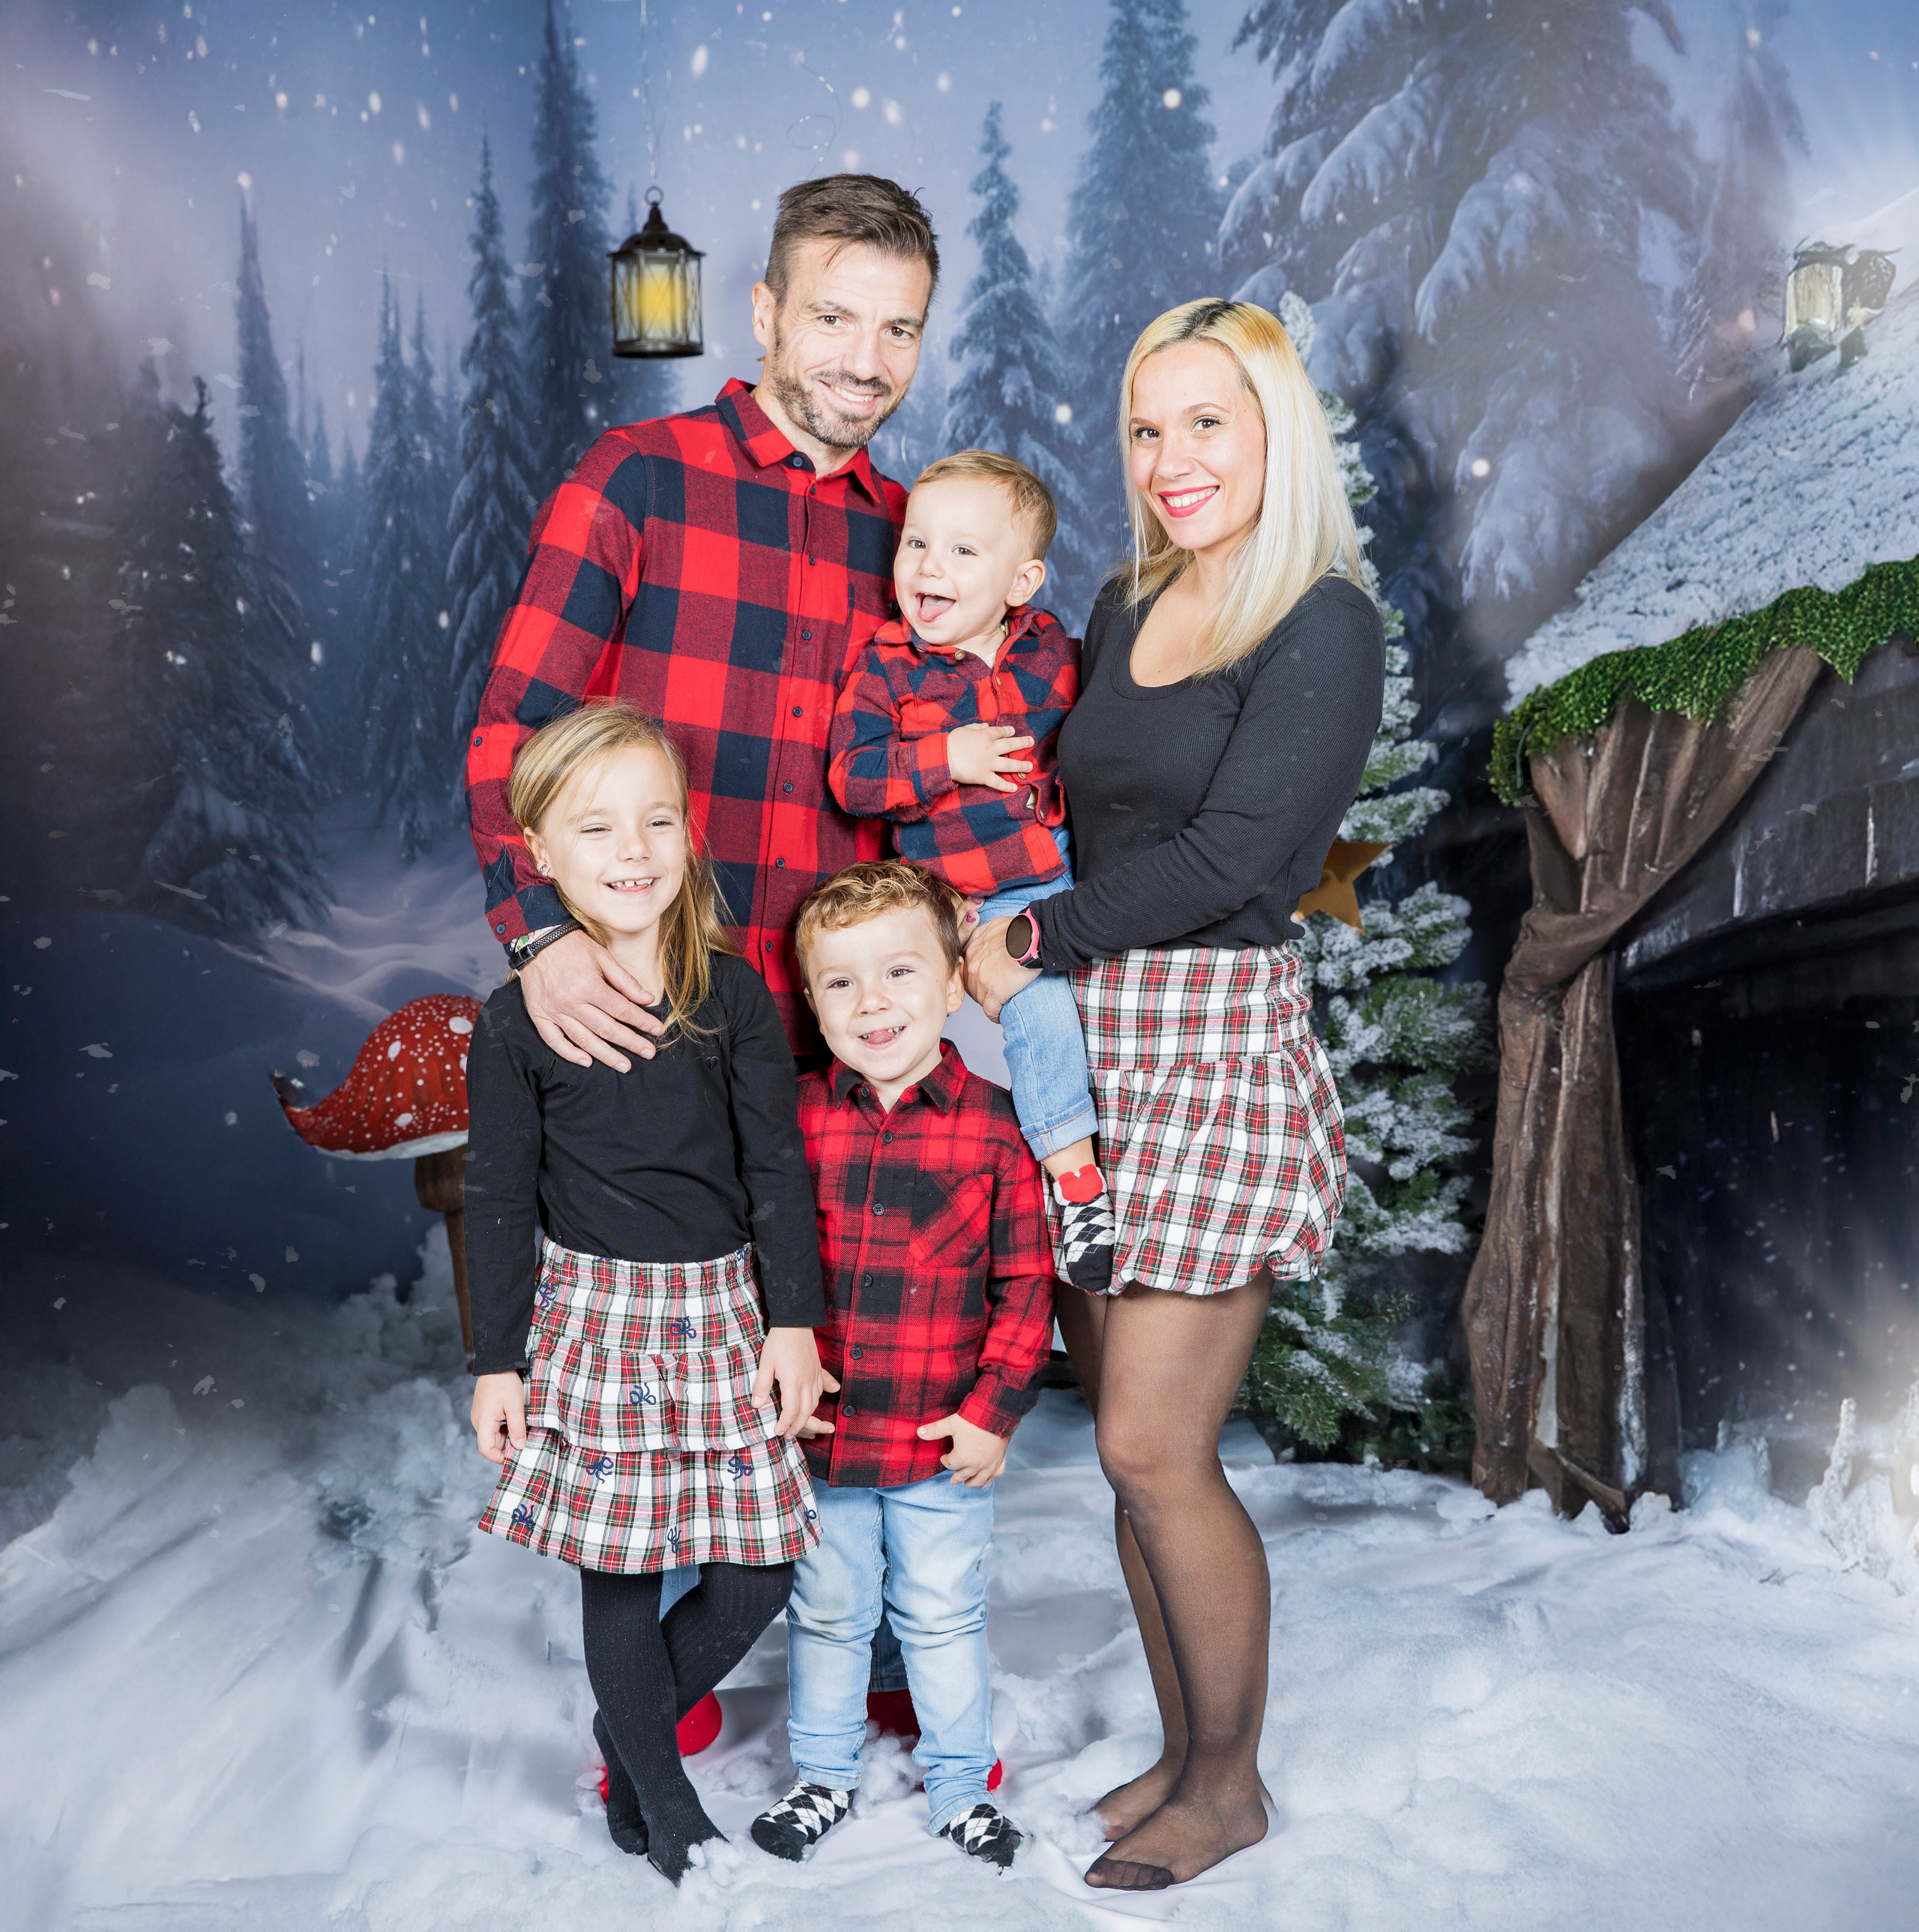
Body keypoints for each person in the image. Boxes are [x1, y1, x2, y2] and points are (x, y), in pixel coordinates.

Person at [962, 300, 1387, 1891]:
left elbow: (1239, 860)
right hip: (1080, 1043)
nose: (1169, 459)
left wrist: (1018, 934)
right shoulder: (1129, 588)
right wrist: (1027, 769)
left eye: (1205, 421)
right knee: (1123, 1447)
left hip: (1204, 1034)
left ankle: (1231, 1785)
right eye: (1146, 427)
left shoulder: (1318, 618)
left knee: (1151, 1444)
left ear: (1272, 426)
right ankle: (1178, 1749)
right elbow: (1110, 787)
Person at [465, 702, 831, 1884]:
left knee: (754, 1571)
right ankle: (666, 1803)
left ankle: (628, 1742)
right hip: (595, 1323)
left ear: (689, 837)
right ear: (543, 857)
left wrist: (792, 1323)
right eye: (598, 828)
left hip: (726, 1316)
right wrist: (496, 1360)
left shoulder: (733, 998)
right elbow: (500, 1197)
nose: (633, 851)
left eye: (657, 821)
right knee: (620, 1568)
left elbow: (777, 1169)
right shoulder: (516, 1021)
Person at [464, 172, 941, 1068]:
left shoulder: (918, 542)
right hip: (637, 1020)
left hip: (831, 1047)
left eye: (899, 329)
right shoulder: (636, 478)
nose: (867, 362)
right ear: (765, 313)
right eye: (832, 318)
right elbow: (511, 735)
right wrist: (538, 936)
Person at [748, 861, 1054, 1870]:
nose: (872, 1002)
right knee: (828, 1615)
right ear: (810, 998)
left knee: (940, 1614)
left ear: (954, 982)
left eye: (899, 973)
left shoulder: (1000, 1126)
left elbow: (1025, 1284)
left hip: (938, 1439)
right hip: (825, 1441)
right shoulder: (790, 1120)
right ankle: (823, 1778)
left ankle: (961, 1786)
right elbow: (759, 1267)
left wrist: (993, 1412)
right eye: (841, 983)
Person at [826, 449, 1114, 1290]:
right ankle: (1029, 1186)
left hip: (1047, 877)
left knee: (1071, 1008)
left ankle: (1088, 1168)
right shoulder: (888, 666)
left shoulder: (1053, 651)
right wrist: (945, 755)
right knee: (975, 1011)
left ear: (1020, 582)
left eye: (961, 552)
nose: (928, 567)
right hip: (946, 895)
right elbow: (853, 777)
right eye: (916, 544)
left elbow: (1100, 740)